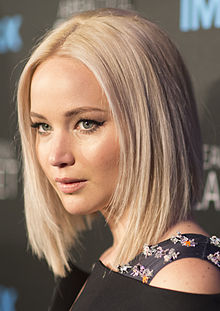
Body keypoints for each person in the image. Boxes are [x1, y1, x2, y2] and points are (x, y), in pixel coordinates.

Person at [17, 8, 220, 311]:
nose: (56, 156)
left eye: (86, 123)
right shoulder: (120, 259)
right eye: (42, 127)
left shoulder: (180, 277)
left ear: (152, 125)